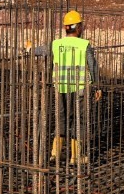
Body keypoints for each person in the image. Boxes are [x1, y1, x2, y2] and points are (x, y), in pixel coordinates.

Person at [38, 10, 100, 166]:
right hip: (80, 88)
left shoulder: (56, 44)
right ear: (78, 27)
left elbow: (41, 51)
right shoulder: (84, 44)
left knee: (62, 117)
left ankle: (55, 153)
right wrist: (97, 87)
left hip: (61, 87)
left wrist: (30, 49)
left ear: (66, 27)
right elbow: (92, 67)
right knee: (79, 119)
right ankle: (76, 156)